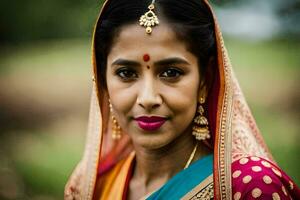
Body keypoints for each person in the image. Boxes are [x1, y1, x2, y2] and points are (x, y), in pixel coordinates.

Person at [64, 0, 300, 199]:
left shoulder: (249, 187)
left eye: (171, 73)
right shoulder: (93, 187)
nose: (148, 98)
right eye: (126, 73)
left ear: (205, 80)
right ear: (103, 82)